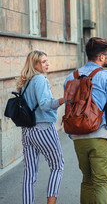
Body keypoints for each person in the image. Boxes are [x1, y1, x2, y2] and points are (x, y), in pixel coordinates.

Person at [64, 37, 107, 204]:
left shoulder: (71, 76)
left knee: (87, 181)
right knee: (101, 183)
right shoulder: (106, 76)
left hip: (78, 137)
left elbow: (68, 106)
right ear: (101, 57)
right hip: (99, 134)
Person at [16, 50, 65, 204]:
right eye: (43, 62)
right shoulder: (40, 80)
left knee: (29, 173)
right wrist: (63, 99)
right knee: (57, 165)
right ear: (35, 64)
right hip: (43, 129)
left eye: (47, 61)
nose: (47, 64)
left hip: (27, 131)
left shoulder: (24, 82)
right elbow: (44, 105)